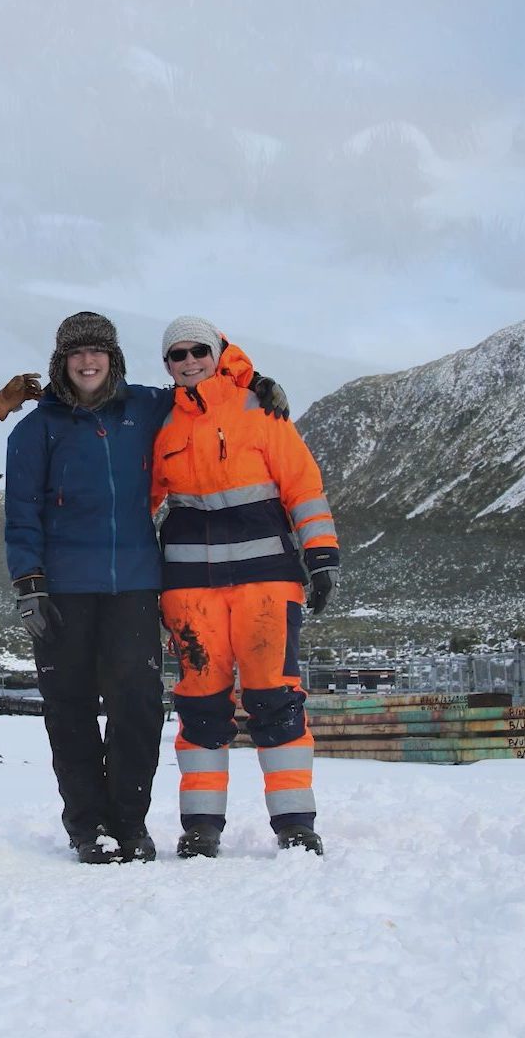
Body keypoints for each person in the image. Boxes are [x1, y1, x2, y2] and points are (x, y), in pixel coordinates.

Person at [4, 312, 288, 864]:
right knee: (70, 709)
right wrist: (28, 583)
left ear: (114, 359)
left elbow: (202, 373)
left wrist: (252, 381)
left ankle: (129, 824)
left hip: (134, 583)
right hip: (61, 589)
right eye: (77, 354)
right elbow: (21, 514)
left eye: (98, 352)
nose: (88, 362)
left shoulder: (145, 407)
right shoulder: (36, 430)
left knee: (137, 706)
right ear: (61, 362)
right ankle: (90, 827)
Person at [151, 315, 339, 859]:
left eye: (198, 351)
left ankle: (296, 824)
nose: (188, 361)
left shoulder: (261, 409)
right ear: (167, 365)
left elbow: (302, 486)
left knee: (274, 699)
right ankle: (201, 828)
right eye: (176, 355)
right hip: (190, 590)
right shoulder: (162, 424)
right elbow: (145, 504)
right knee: (200, 705)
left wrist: (322, 555)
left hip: (266, 583)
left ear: (217, 351)